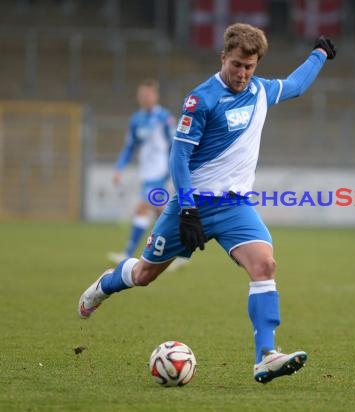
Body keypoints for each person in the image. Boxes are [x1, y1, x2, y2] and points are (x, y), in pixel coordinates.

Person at [78, 23, 337, 384]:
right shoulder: (200, 99)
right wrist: (186, 207)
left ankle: (266, 355)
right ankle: (104, 286)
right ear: (223, 57)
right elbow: (179, 156)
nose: (242, 74)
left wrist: (319, 54)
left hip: (235, 207)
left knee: (264, 266)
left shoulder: (261, 91)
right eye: (236, 65)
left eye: (249, 67)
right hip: (193, 204)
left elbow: (295, 86)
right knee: (145, 275)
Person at [106, 79, 177, 266]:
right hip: (147, 173)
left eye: (148, 94)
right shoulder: (136, 120)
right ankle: (180, 250)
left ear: (156, 96)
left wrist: (173, 170)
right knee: (161, 213)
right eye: (142, 95)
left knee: (143, 208)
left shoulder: (165, 118)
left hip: (161, 173)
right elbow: (130, 147)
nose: (144, 98)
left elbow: (176, 145)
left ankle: (128, 253)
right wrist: (119, 168)